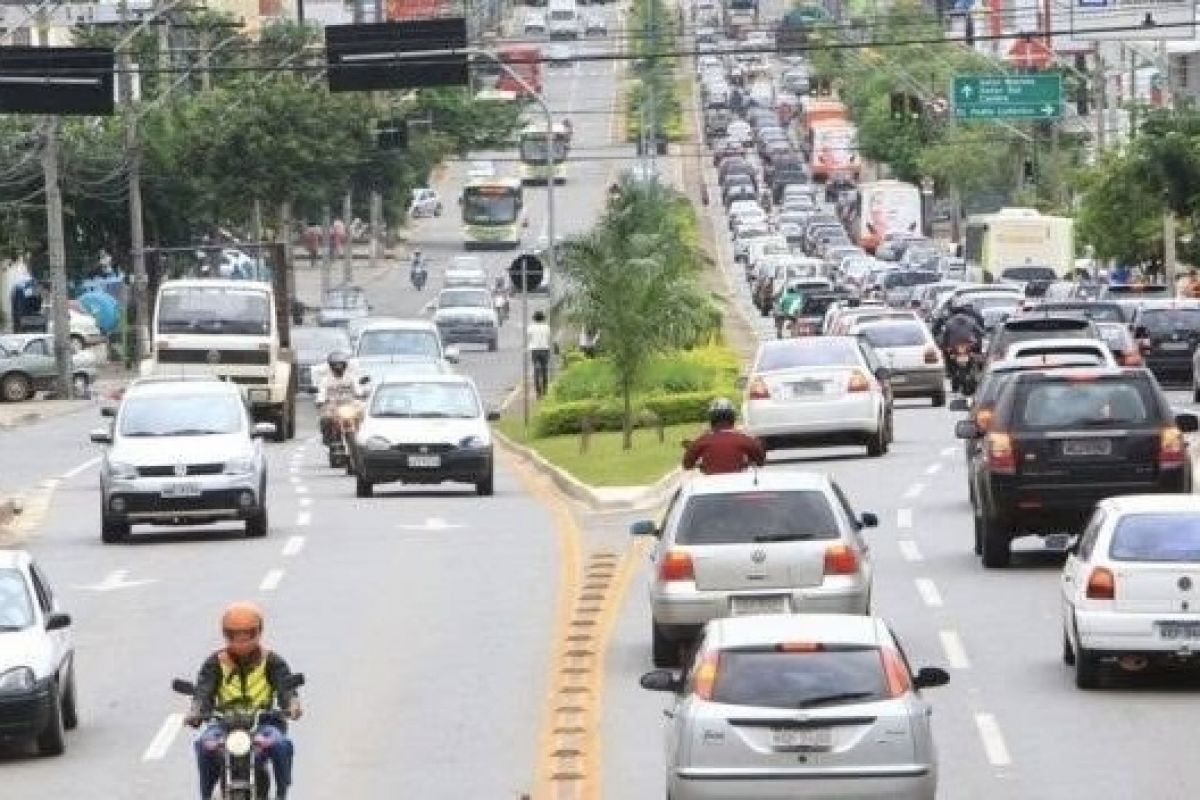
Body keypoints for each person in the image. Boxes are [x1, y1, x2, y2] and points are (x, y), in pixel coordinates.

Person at [184, 602, 301, 800]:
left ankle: (282, 793)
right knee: (204, 745)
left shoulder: (272, 661)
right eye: (234, 636)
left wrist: (292, 705)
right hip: (224, 724)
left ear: (259, 632)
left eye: (248, 635)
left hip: (262, 723)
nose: (242, 642)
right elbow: (203, 691)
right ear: (226, 635)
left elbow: (286, 688)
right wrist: (195, 711)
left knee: (281, 744)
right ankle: (205, 794)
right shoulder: (215, 663)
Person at [682, 398, 766, 475]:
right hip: (738, 484)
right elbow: (760, 461)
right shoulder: (744, 439)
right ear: (732, 418)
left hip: (710, 485)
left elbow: (687, 465)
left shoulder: (702, 440)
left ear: (712, 419)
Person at [315, 351, 356, 445]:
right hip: (332, 407)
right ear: (331, 366)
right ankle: (328, 438)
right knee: (325, 418)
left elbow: (358, 390)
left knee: (362, 413)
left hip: (348, 405)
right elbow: (322, 392)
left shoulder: (350, 378)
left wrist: (363, 393)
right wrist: (320, 400)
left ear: (345, 365)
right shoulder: (326, 380)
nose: (338, 368)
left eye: (341, 365)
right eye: (335, 365)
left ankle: (361, 436)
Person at [528, 310, 552, 398]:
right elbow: (549, 337)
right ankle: (545, 390)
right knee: (545, 370)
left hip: (535, 350)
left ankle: (538, 392)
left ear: (534, 318)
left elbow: (529, 336)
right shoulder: (546, 327)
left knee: (536, 369)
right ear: (543, 318)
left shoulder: (531, 327)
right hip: (545, 350)